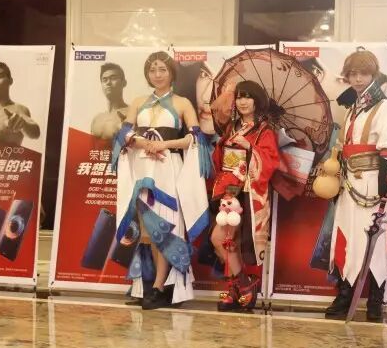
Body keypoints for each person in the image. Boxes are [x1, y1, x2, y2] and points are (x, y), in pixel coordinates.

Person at [111, 51, 209, 310]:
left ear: (171, 72)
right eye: (152, 70)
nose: (157, 74)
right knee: (147, 230)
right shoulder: (138, 102)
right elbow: (123, 132)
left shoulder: (182, 103)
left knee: (166, 227)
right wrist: (143, 143)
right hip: (143, 169)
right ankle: (150, 284)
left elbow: (195, 138)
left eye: (162, 69)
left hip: (169, 169)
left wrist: (164, 144)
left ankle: (161, 286)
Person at [324, 49, 387, 322]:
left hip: (371, 179)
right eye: (353, 74)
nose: (357, 79)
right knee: (347, 236)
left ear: (373, 75)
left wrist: (382, 179)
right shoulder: (354, 107)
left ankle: (376, 298)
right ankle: (346, 292)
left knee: (373, 238)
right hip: (349, 180)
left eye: (363, 74)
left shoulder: (384, 106)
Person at [207, 80, 280, 311]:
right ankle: (241, 285)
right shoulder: (232, 127)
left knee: (228, 239)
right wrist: (224, 145)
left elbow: (271, 161)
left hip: (247, 190)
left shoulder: (264, 130)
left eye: (248, 97)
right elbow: (221, 159)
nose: (242, 101)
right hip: (228, 189)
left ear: (257, 101)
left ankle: (240, 286)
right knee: (224, 240)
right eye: (239, 96)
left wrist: (249, 148)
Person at [0, 61, 40, 146]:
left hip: (9, 154)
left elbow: (35, 132)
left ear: (10, 81)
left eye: (0, 76)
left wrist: (23, 124)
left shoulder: (18, 109)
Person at [91, 63, 129, 140]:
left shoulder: (132, 113)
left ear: (124, 83)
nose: (108, 82)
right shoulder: (97, 119)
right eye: (104, 80)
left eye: (113, 78)